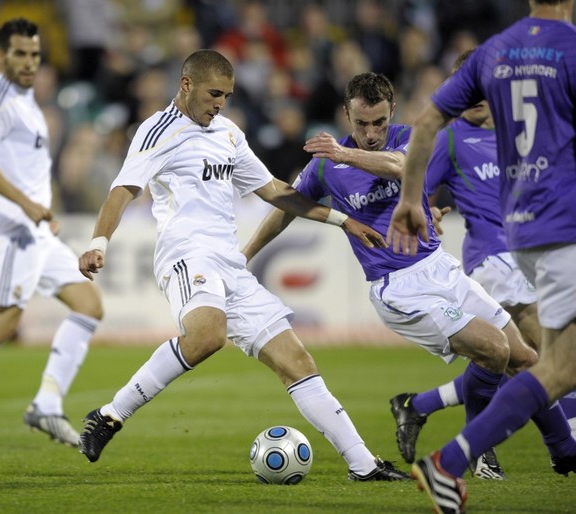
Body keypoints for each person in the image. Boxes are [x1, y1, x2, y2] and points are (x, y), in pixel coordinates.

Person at [76, 49, 409, 482]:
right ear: (186, 84)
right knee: (207, 336)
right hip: (186, 254)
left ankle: (363, 465)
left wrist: (342, 220)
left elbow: (274, 191)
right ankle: (109, 415)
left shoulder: (228, 133)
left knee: (297, 361)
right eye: (214, 94)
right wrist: (98, 242)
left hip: (230, 263)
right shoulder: (158, 130)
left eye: (227, 96)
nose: (220, 103)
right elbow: (123, 188)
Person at [243, 69, 576, 488]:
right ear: (346, 114)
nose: (370, 134)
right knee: (494, 349)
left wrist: (347, 155)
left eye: (379, 122)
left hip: (440, 267)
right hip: (399, 287)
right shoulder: (324, 168)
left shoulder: (408, 138)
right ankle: (477, 447)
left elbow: (401, 167)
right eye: (361, 123)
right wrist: (246, 253)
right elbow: (287, 206)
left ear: (393, 113)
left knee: (525, 358)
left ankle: (564, 451)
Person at [387, 2, 576, 512]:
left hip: (527, 236)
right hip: (546, 234)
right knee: (541, 361)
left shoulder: (495, 53)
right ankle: (458, 459)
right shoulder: (569, 49)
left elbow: (425, 121)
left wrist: (410, 200)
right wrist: (419, 198)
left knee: (544, 363)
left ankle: (450, 444)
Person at [0, 18, 103, 447]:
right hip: (11, 232)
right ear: (1, 55)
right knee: (4, 322)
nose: (29, 63)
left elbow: (23, 167)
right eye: (20, 54)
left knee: (88, 305)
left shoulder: (26, 100)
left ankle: (46, 403)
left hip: (37, 232)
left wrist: (43, 211)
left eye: (35, 55)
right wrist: (27, 205)